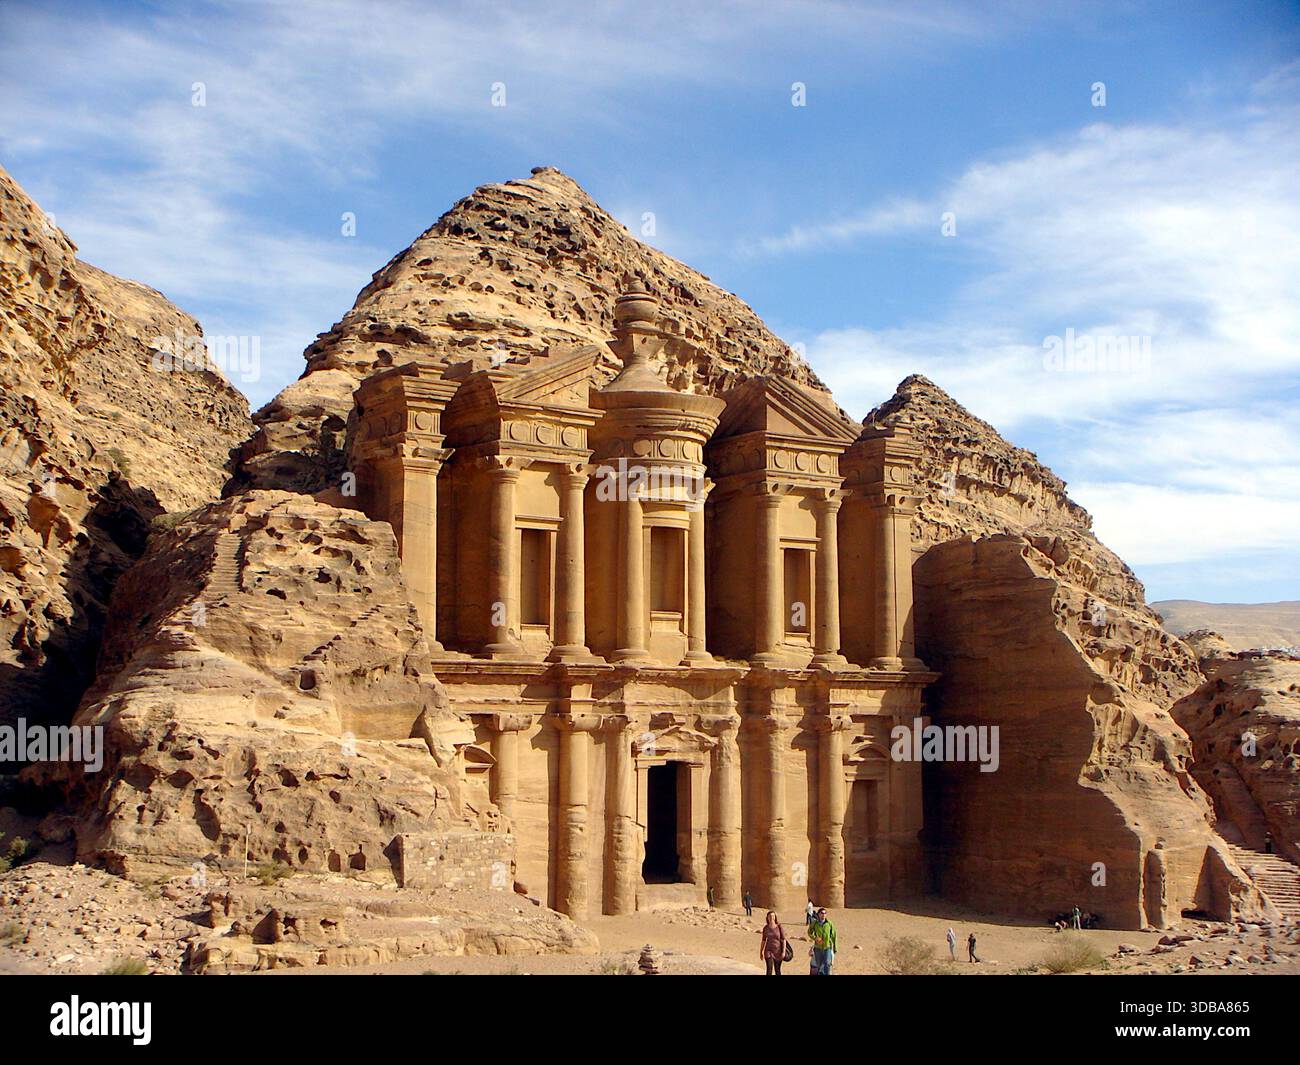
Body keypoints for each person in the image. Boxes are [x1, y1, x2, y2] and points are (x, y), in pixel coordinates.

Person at [809, 907, 837, 975]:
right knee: (819, 965)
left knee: (827, 963)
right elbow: (809, 932)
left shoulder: (829, 924)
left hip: (827, 947)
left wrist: (835, 947)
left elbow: (834, 935)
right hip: (817, 948)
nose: (823, 915)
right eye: (822, 913)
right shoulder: (815, 923)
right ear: (818, 914)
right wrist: (815, 938)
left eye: (825, 913)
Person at [759, 911, 787, 976]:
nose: (771, 917)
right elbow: (763, 940)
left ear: (775, 917)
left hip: (778, 951)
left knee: (777, 970)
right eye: (770, 916)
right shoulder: (765, 928)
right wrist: (761, 951)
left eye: (773, 916)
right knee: (769, 970)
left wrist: (783, 952)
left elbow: (783, 940)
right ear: (767, 918)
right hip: (768, 951)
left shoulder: (779, 927)